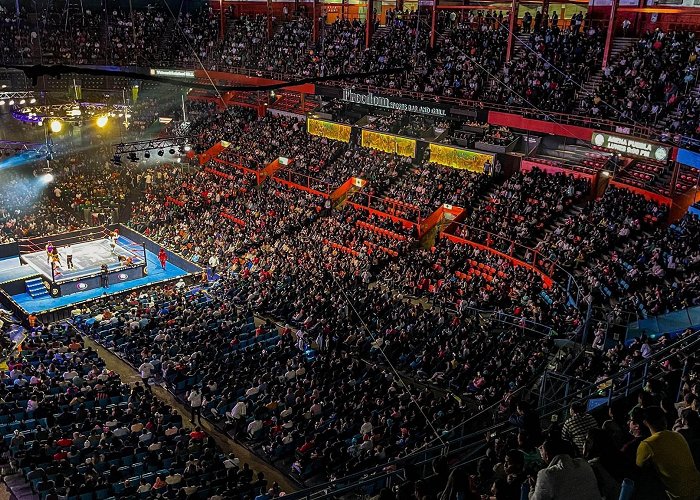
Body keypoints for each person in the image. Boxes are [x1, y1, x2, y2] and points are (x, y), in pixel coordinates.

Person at [636, 406, 700, 500]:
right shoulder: (677, 435)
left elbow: (639, 468)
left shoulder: (647, 445)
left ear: (645, 423)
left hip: (681, 496)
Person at [529, 438, 602, 500]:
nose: (541, 453)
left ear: (547, 455)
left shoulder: (546, 474)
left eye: (542, 451)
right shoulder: (583, 464)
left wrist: (532, 487)